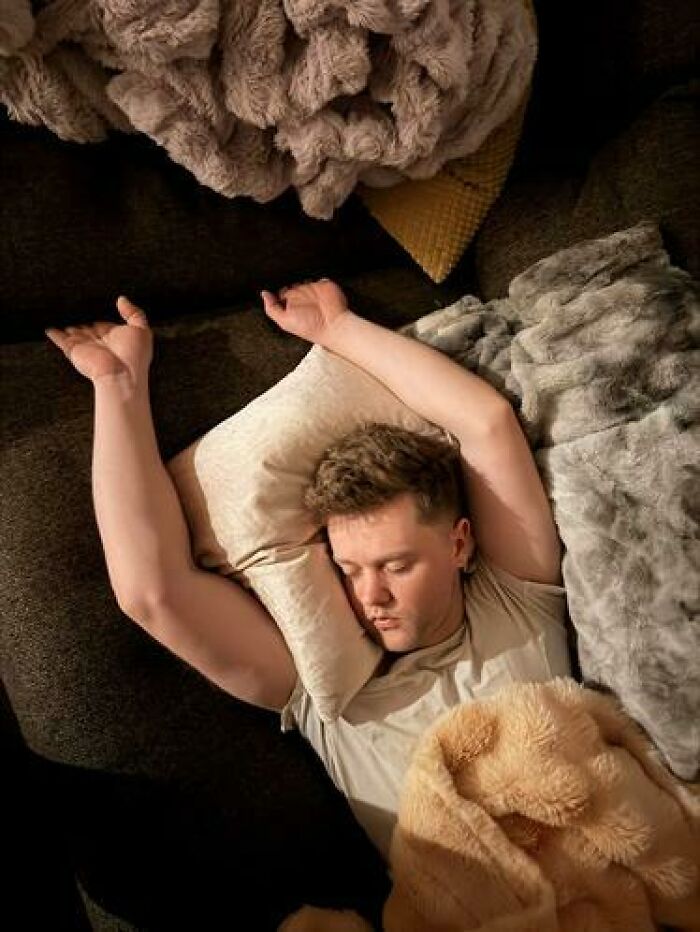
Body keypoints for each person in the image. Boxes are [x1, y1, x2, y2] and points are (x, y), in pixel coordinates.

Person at [44, 278, 571, 860]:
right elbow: (151, 594)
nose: (372, 596)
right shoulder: (325, 698)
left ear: (459, 545)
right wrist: (118, 386)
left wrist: (338, 329)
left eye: (397, 565)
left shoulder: (516, 603)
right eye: (349, 568)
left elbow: (487, 423)